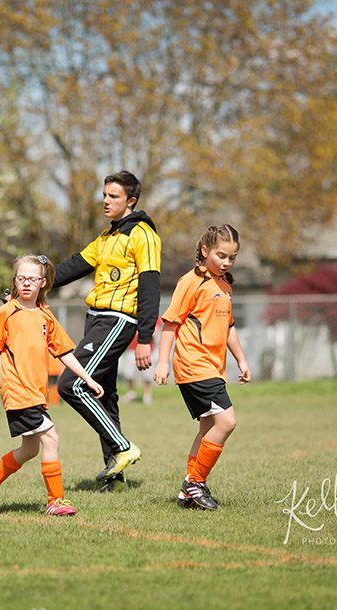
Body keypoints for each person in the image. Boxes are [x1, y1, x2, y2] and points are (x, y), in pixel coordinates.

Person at [0, 255, 103, 517]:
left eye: (32, 279)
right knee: (51, 438)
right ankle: (55, 501)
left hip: (36, 394)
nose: (26, 283)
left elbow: (64, 352)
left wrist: (87, 378)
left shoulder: (45, 316)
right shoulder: (7, 312)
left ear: (42, 282)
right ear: (14, 281)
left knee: (29, 449)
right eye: (21, 278)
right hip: (18, 392)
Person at [53, 170, 162, 492]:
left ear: (131, 200)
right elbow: (72, 267)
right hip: (96, 319)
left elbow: (150, 289)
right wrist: (30, 283)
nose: (105, 200)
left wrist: (145, 339)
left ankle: (123, 447)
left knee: (71, 384)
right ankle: (114, 479)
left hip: (117, 322)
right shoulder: (106, 237)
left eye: (113, 196)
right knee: (105, 395)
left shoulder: (144, 235)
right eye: (104, 194)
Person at [153, 224, 251, 511]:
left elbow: (229, 327)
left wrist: (241, 360)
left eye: (232, 258)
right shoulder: (190, 281)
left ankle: (188, 492)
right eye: (221, 255)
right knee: (227, 422)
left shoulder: (225, 285)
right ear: (205, 250)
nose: (226, 262)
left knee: (208, 428)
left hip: (213, 367)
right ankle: (195, 483)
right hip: (193, 364)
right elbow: (170, 323)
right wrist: (161, 362)